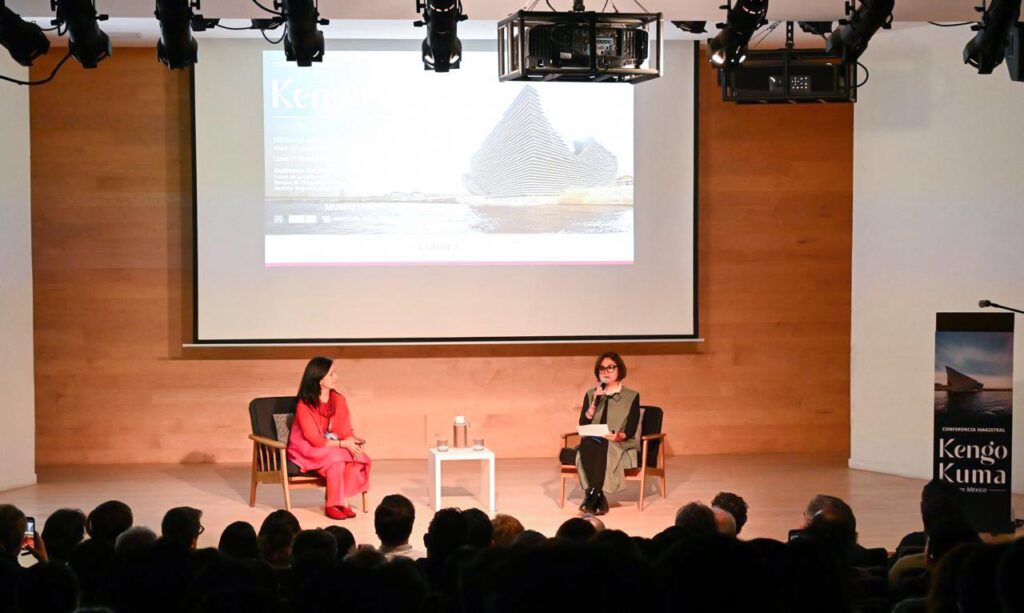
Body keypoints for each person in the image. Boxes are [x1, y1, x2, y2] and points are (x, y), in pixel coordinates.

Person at [287, 356, 372, 520]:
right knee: (337, 457)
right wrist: (343, 444)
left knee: (354, 456)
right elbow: (314, 439)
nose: (336, 377)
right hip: (306, 448)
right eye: (331, 374)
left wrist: (350, 441)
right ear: (319, 379)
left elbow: (345, 429)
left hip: (330, 446)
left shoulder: (339, 399)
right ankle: (335, 504)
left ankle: (340, 502)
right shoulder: (304, 405)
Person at [574, 351, 641, 515]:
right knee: (588, 442)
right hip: (594, 440)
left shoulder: (631, 396)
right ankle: (598, 496)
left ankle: (592, 494)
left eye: (610, 367)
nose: (605, 372)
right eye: (602, 369)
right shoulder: (591, 394)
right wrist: (593, 404)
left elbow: (631, 429)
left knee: (601, 445)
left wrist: (618, 436)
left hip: (618, 441)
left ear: (619, 370)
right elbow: (583, 423)